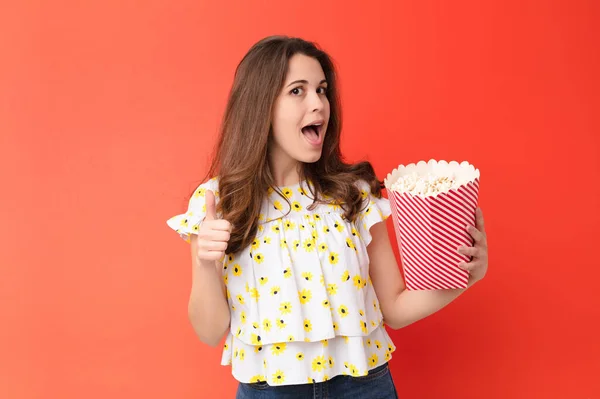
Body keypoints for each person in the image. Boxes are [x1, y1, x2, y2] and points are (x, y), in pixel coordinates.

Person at [167, 35, 489, 399]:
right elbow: (210, 331)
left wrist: (464, 278)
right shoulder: (220, 202)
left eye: (321, 90)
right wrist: (206, 263)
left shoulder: (354, 194)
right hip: (270, 392)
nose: (318, 103)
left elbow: (395, 308)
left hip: (365, 387)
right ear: (260, 105)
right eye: (297, 91)